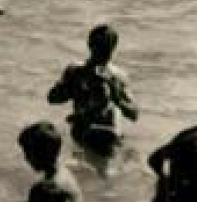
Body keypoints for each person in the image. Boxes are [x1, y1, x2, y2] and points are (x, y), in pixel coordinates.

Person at [48, 24, 139, 155]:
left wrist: (116, 97)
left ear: (114, 48)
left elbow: (134, 115)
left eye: (107, 48)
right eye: (99, 46)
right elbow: (52, 98)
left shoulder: (117, 76)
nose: (103, 52)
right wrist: (73, 87)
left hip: (108, 135)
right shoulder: (75, 71)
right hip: (81, 133)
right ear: (90, 44)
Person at [15, 122, 89, 202]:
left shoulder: (51, 187)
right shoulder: (64, 173)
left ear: (40, 154)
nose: (26, 158)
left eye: (27, 153)